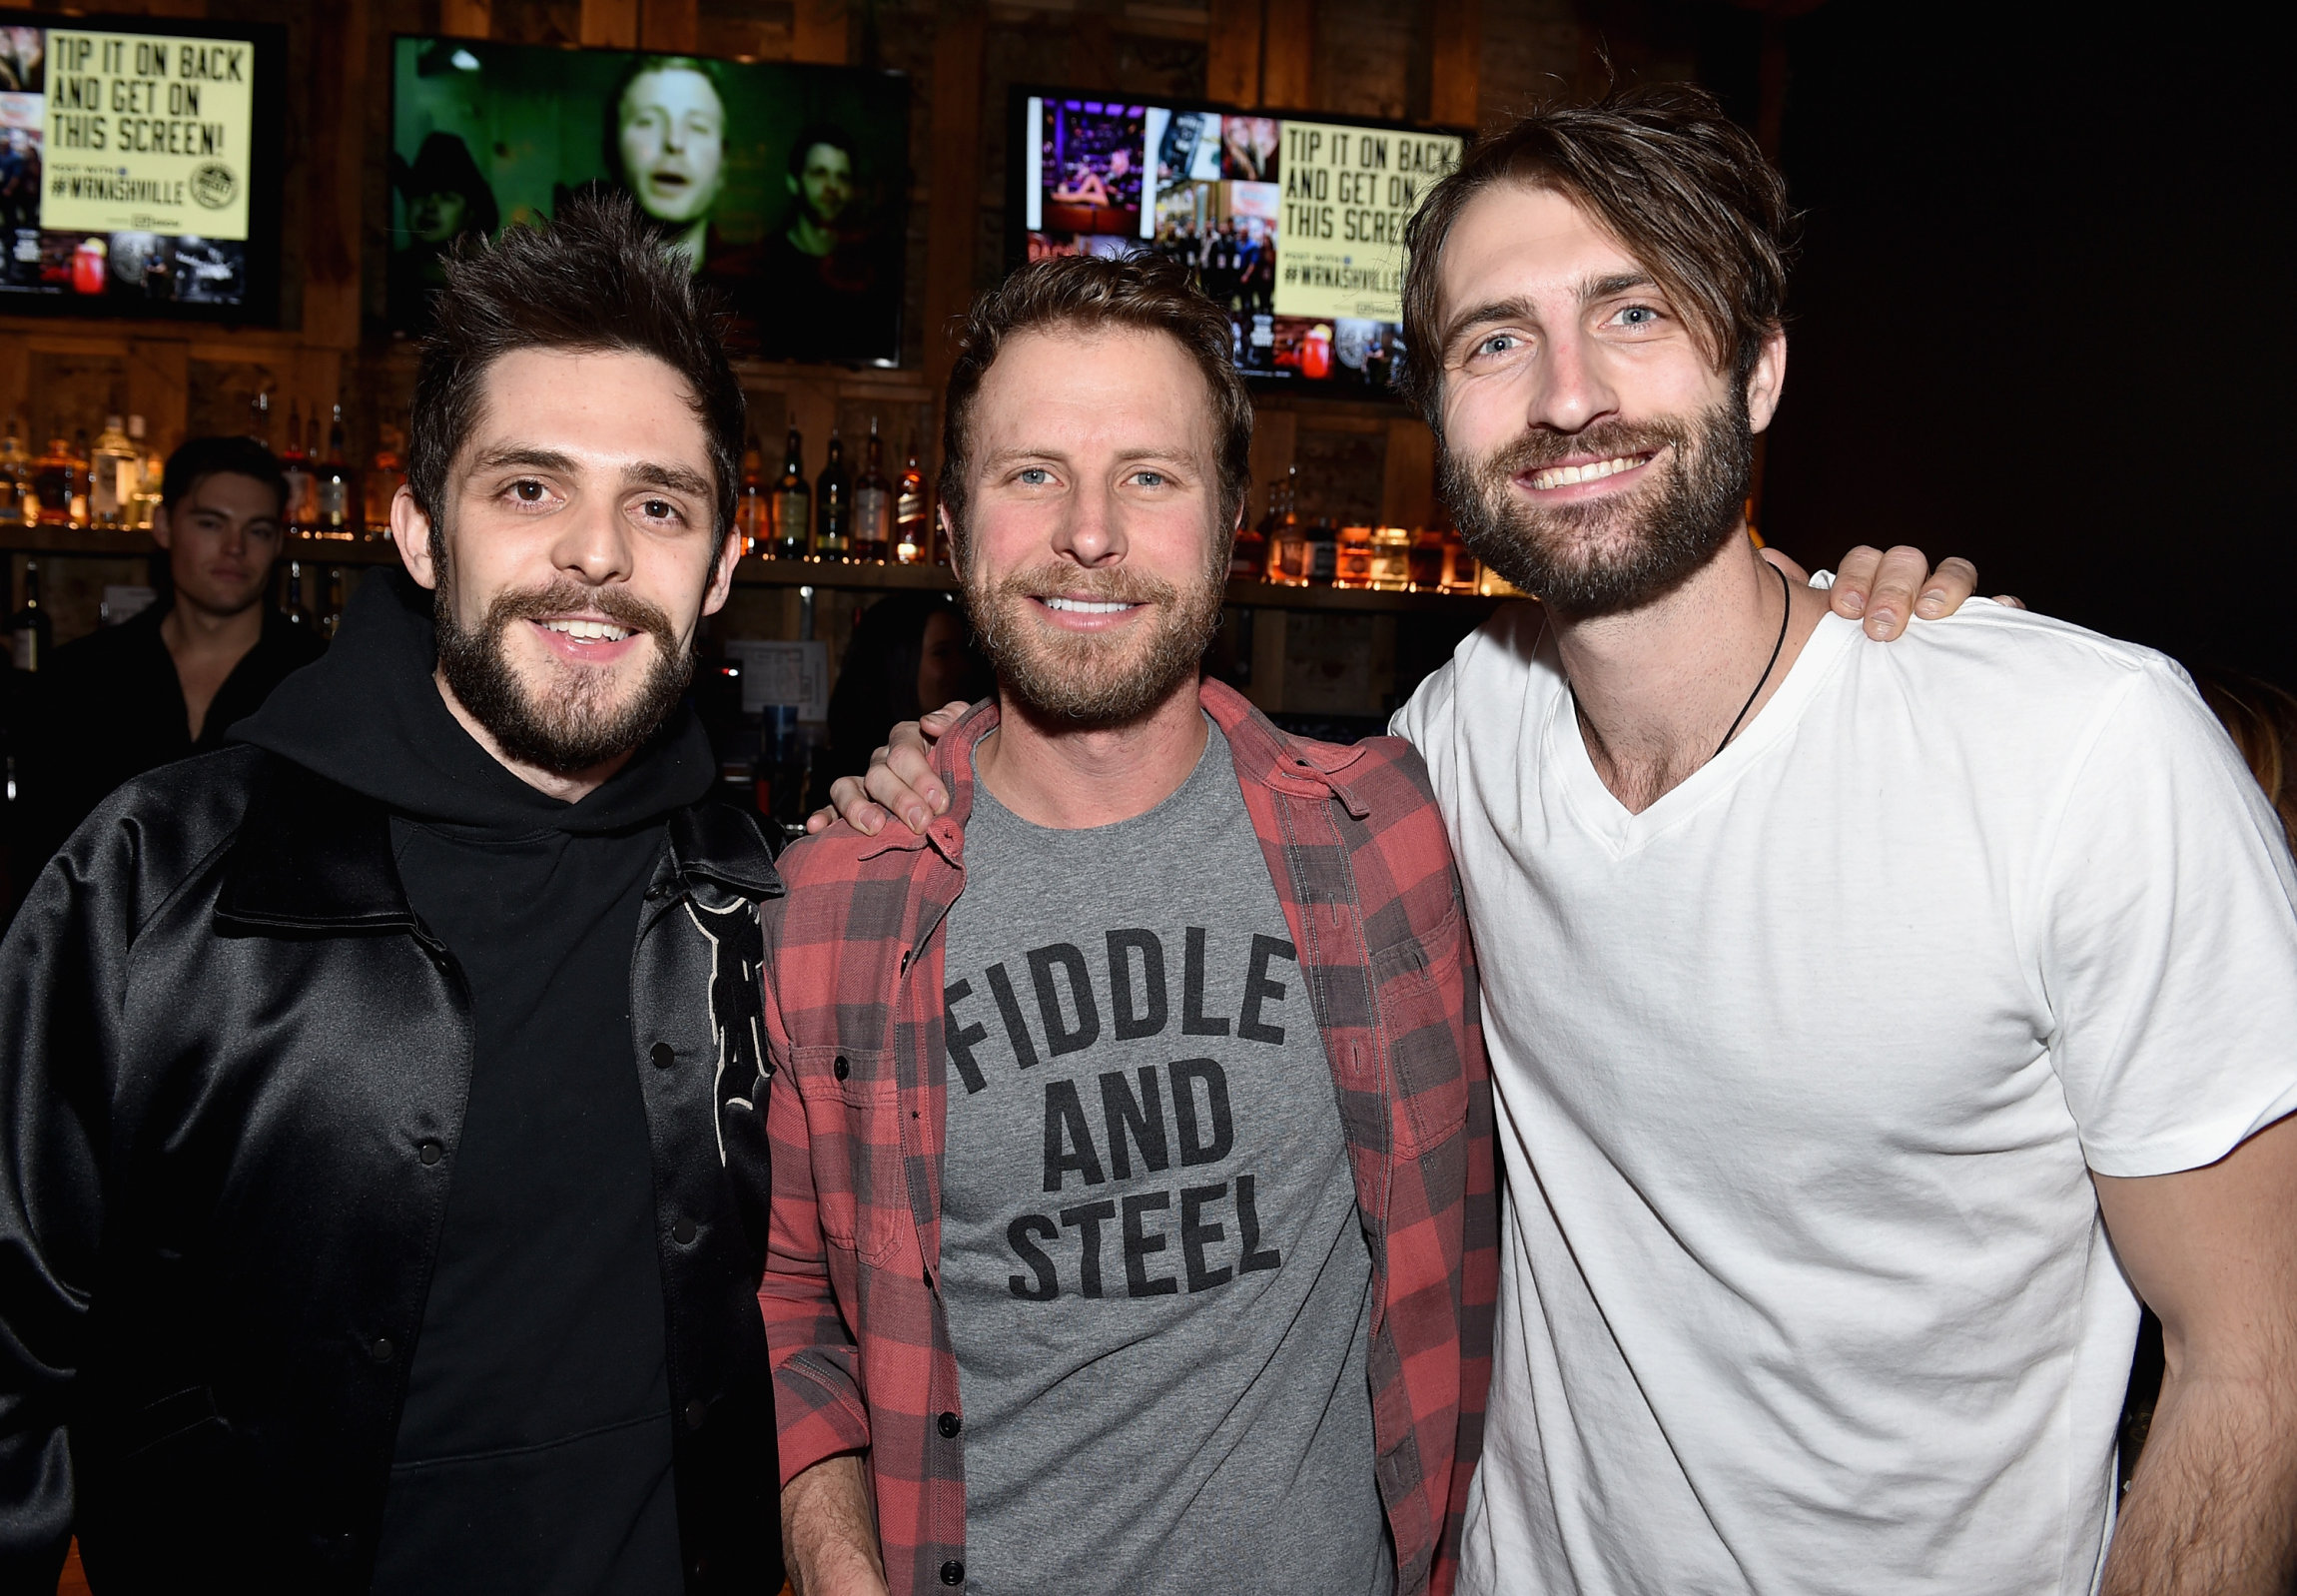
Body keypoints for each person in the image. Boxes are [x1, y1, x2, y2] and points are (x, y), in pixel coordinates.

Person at [1378, 88, 2293, 1594]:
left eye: (1633, 313)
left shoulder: (2078, 750)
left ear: (1760, 373)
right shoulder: (1460, 740)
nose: (1564, 395)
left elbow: (2255, 1363)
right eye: (1495, 339)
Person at [0, 192, 784, 1594]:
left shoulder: (760, 906)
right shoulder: (160, 884)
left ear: (724, 561)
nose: (596, 553)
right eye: (530, 488)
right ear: (421, 532)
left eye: (656, 503)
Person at [762, 254, 1498, 1596]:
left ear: (1227, 525)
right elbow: (798, 1299)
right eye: (1031, 472)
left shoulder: (1396, 836)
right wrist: (834, 1554)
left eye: (1150, 475)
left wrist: (1869, 624)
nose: (1089, 532)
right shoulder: (833, 905)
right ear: (949, 523)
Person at [13, 435, 325, 893]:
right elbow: (40, 861)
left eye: (257, 530)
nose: (235, 547)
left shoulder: (320, 682)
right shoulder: (79, 678)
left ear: (278, 543)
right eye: (210, 524)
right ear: (163, 527)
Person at [806, 591, 986, 812]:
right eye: (942, 653)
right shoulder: (849, 775)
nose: (961, 666)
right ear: (896, 664)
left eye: (962, 651)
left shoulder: (975, 747)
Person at [753, 126, 899, 364]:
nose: (832, 186)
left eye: (842, 176)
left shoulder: (870, 270)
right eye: (819, 173)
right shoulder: (764, 263)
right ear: (793, 181)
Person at [388, 131, 500, 328]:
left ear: (469, 213)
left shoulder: (488, 285)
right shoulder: (387, 276)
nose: (430, 205)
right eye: (421, 193)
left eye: (447, 197)